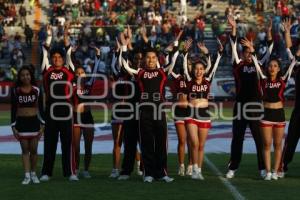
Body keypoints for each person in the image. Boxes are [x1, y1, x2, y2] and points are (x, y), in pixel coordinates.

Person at [120, 30, 181, 183]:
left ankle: (162, 173)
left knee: (161, 144)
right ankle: (148, 173)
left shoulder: (162, 72)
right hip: (144, 114)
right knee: (146, 144)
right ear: (144, 60)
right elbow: (125, 65)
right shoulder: (139, 73)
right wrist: (125, 46)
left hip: (159, 113)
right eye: (148, 58)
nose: (151, 60)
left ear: (157, 59)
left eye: (154, 58)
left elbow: (173, 61)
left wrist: (176, 45)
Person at [226, 16, 273, 179]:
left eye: (249, 52)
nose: (247, 55)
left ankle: (262, 167)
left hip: (255, 106)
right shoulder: (237, 64)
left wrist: (268, 33)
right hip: (240, 106)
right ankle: (233, 167)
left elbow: (270, 49)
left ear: (252, 53)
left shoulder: (259, 64)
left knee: (259, 139)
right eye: (245, 52)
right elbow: (232, 46)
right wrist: (233, 29)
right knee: (237, 138)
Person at [251, 24, 298, 179]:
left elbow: (293, 59)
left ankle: (277, 170)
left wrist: (295, 50)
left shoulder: (283, 79)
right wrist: (252, 49)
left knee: (278, 145)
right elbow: (256, 63)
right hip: (266, 114)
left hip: (279, 114)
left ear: (279, 68)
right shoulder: (263, 79)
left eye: (275, 66)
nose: (272, 68)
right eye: (270, 66)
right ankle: (268, 171)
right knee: (266, 145)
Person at [40, 25, 78, 182]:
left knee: (67, 144)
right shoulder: (47, 70)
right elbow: (44, 52)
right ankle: (46, 173)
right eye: (54, 57)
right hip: (51, 112)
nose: (56, 59)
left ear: (63, 59)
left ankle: (69, 172)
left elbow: (69, 52)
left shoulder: (69, 71)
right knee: (49, 143)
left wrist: (66, 37)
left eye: (59, 57)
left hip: (66, 112)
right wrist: (49, 36)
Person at [183, 41, 222, 180]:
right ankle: (193, 168)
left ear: (204, 70)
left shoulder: (208, 80)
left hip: (204, 114)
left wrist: (206, 53)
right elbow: (184, 66)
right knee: (194, 142)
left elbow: (214, 65)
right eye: (196, 69)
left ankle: (198, 170)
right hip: (191, 113)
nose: (198, 71)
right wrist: (185, 52)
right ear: (193, 70)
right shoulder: (189, 80)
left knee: (201, 145)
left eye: (201, 69)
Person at [11, 65, 45, 184]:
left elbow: (41, 108)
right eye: (23, 75)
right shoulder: (16, 91)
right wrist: (13, 126)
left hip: (34, 123)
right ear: (19, 77)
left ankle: (33, 173)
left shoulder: (36, 90)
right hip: (22, 123)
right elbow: (13, 109)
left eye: (27, 74)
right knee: (25, 150)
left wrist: (43, 124)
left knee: (34, 150)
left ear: (30, 76)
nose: (25, 77)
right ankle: (26, 175)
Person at [72, 44, 101, 179]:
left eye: (82, 72)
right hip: (75, 117)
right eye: (77, 73)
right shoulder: (71, 85)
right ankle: (76, 169)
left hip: (88, 117)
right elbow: (69, 65)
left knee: (88, 146)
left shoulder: (89, 83)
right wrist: (70, 52)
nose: (79, 74)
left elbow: (96, 66)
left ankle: (86, 170)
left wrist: (98, 55)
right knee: (76, 147)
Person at [170, 39, 194, 176]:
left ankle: (191, 164)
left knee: (191, 140)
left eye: (190, 64)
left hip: (190, 111)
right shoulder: (177, 77)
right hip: (179, 110)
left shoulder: (193, 79)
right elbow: (170, 65)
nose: (188, 66)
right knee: (182, 140)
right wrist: (178, 49)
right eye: (187, 64)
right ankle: (181, 165)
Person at [279, 19, 300, 178]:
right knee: (292, 137)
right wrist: (287, 33)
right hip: (299, 109)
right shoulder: (297, 63)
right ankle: (283, 164)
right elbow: (289, 49)